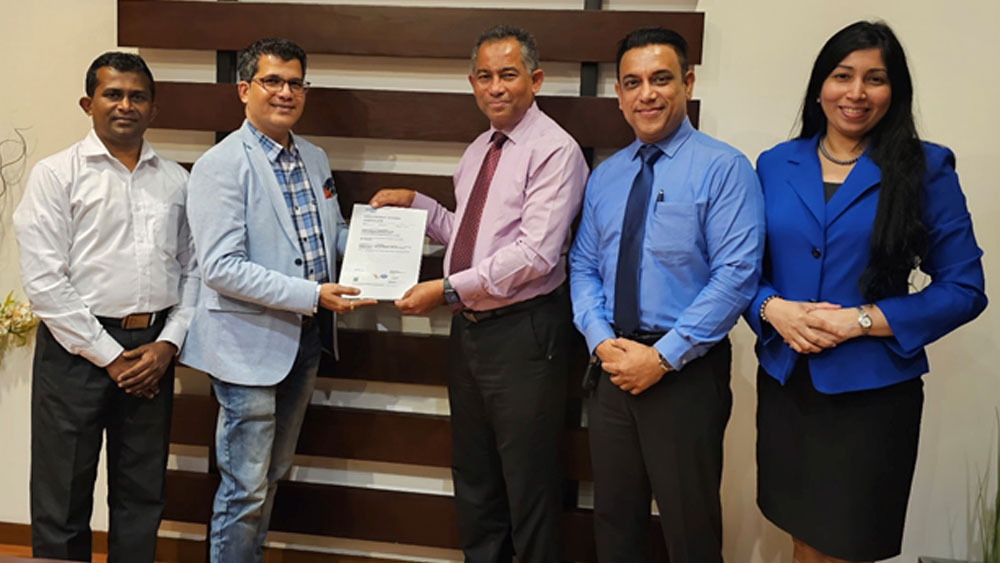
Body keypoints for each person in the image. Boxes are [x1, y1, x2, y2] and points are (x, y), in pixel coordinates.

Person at [746, 21, 988, 563]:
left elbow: (965, 288)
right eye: (842, 75)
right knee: (801, 539)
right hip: (787, 385)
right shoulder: (774, 164)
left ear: (894, 91)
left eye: (874, 79)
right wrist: (772, 309)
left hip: (872, 396)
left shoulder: (926, 168)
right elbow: (743, 272)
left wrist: (860, 320)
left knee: (845, 546)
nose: (856, 92)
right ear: (819, 86)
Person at [369, 25, 588, 563]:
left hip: (524, 333)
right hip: (469, 334)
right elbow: (467, 237)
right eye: (484, 76)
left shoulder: (555, 151)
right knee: (475, 477)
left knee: (529, 484)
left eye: (508, 75)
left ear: (535, 79)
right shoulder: (478, 150)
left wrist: (445, 289)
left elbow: (534, 255)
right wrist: (417, 204)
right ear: (472, 83)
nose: (496, 87)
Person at [569, 27, 764, 563]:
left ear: (688, 83)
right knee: (615, 522)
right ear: (619, 94)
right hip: (612, 365)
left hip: (685, 372)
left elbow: (736, 275)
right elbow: (583, 266)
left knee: (689, 529)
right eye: (632, 83)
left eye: (660, 79)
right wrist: (600, 340)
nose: (646, 94)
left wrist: (661, 358)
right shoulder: (606, 176)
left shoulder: (724, 169)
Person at [179, 38, 375, 563]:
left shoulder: (314, 157)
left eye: (295, 83)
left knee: (271, 475)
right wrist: (311, 294)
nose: (285, 92)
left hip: (304, 342)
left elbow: (330, 237)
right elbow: (221, 268)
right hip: (245, 348)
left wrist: (388, 242)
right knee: (244, 487)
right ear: (245, 89)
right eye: (272, 81)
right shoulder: (220, 165)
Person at [13, 52, 197, 562]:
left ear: (154, 108)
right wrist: (110, 356)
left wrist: (168, 343)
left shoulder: (176, 181)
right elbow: (45, 282)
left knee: (142, 492)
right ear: (87, 103)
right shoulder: (57, 175)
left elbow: (195, 271)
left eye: (138, 96)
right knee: (62, 493)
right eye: (112, 94)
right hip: (75, 352)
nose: (125, 105)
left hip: (151, 352)